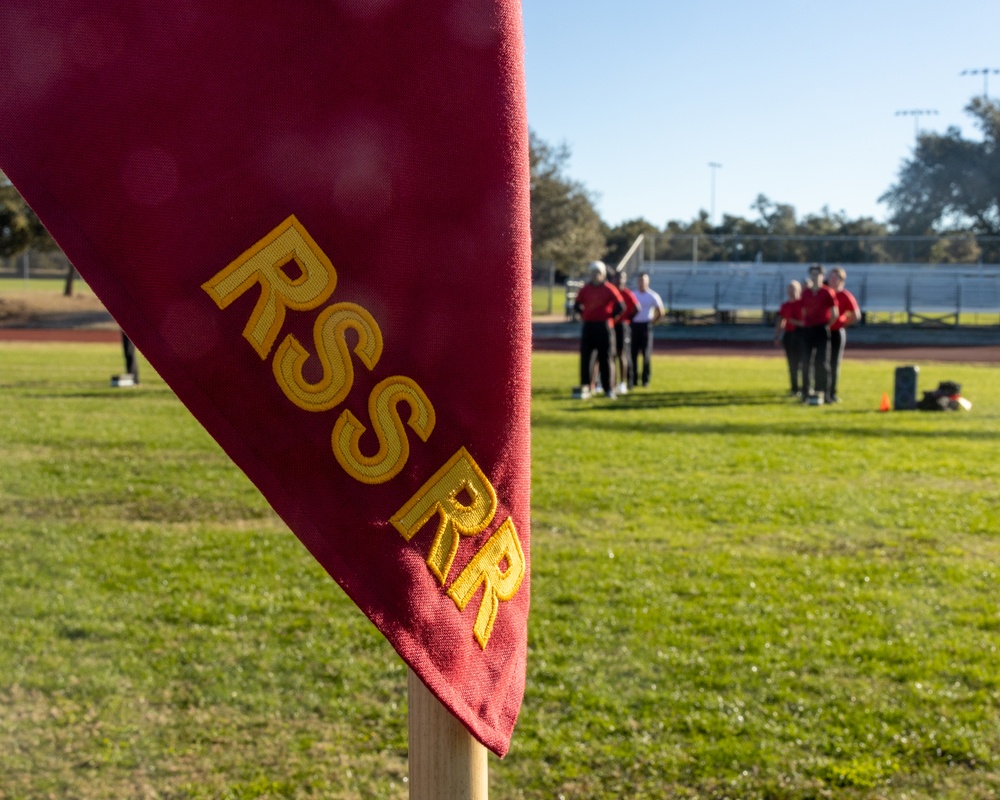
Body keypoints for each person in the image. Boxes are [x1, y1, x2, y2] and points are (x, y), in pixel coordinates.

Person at [574, 260, 624, 399]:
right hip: (589, 326)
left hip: (604, 327)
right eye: (593, 273)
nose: (595, 275)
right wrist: (583, 314)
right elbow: (577, 305)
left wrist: (610, 317)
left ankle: (609, 389)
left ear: (603, 274)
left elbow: (621, 306)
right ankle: (586, 387)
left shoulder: (609, 288)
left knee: (606, 358)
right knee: (586, 358)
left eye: (598, 273)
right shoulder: (585, 289)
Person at [798, 263, 838, 404]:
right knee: (806, 362)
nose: (814, 278)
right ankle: (805, 393)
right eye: (812, 275)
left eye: (817, 274)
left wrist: (826, 325)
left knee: (822, 363)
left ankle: (825, 393)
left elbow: (835, 313)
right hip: (808, 329)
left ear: (822, 276)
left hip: (821, 329)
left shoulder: (827, 292)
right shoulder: (805, 293)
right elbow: (802, 311)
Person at [826, 266, 860, 403]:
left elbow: (856, 315)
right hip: (822, 331)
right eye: (831, 277)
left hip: (836, 332)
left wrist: (842, 322)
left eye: (836, 277)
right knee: (820, 362)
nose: (832, 280)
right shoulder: (825, 293)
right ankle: (820, 390)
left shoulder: (845, 295)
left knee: (834, 363)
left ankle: (832, 392)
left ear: (841, 280)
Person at [629, 271, 664, 387]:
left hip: (646, 326)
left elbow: (661, 311)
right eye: (639, 280)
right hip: (634, 326)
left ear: (647, 281)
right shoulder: (633, 294)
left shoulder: (652, 295)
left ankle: (645, 380)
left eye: (643, 280)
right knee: (632, 354)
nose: (641, 283)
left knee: (646, 355)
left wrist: (652, 321)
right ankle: (632, 380)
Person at [773, 280, 802, 396]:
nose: (791, 292)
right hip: (789, 335)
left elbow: (807, 322)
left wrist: (797, 322)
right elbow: (781, 321)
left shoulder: (803, 304)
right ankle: (794, 387)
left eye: (793, 289)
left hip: (801, 334)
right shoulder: (785, 306)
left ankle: (804, 386)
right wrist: (777, 335)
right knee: (792, 363)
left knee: (802, 362)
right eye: (789, 289)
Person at [612, 270, 639, 394]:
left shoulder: (627, 293)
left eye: (621, 277)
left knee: (621, 354)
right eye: (617, 277)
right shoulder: (610, 292)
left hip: (622, 327)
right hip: (610, 326)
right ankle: (608, 382)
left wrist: (627, 320)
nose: (619, 280)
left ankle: (622, 382)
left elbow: (636, 308)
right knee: (608, 355)